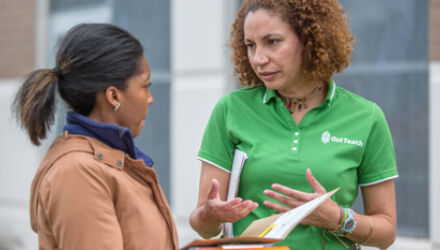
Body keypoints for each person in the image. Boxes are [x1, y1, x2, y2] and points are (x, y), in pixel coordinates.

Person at [189, 0, 398, 249]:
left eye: (272, 42)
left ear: (310, 38)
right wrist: (210, 215)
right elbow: (202, 225)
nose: (258, 58)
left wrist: (338, 219)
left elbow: (386, 232)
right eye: (250, 45)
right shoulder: (230, 110)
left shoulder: (366, 117)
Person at [12, 23, 178, 250]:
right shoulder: (78, 173)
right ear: (113, 95)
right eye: (145, 86)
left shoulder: (109, 162)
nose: (150, 98)